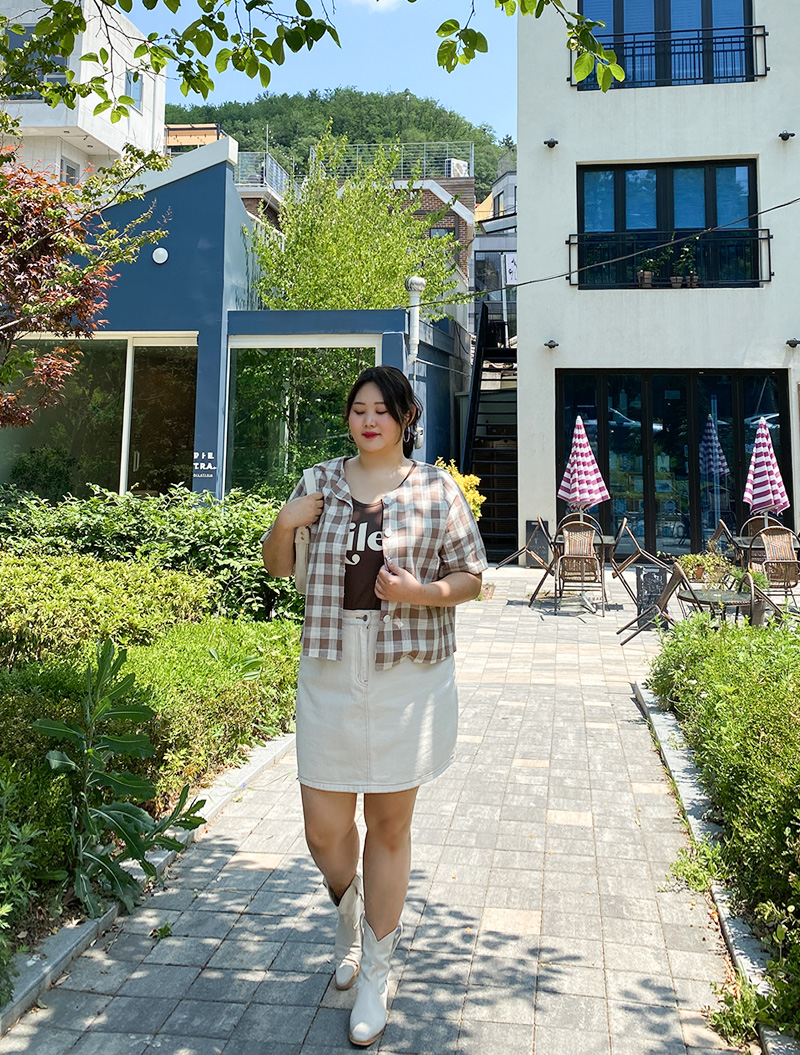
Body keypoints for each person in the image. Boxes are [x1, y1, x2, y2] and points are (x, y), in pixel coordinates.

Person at [261, 365, 487, 1047]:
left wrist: (422, 593)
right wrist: (284, 521)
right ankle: (348, 912)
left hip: (406, 675)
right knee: (324, 829)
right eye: (358, 409)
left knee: (389, 826)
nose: (368, 420)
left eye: (381, 410)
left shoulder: (436, 488)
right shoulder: (319, 481)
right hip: (330, 667)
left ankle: (376, 972)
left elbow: (472, 576)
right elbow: (278, 567)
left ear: (405, 417)